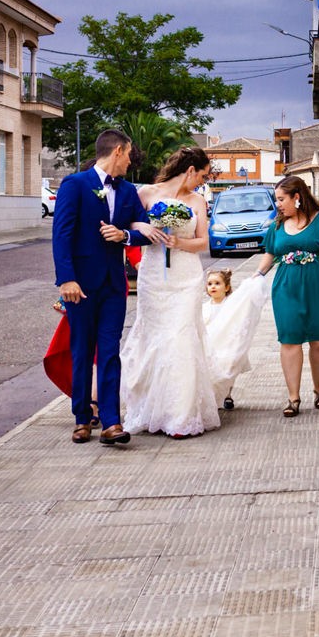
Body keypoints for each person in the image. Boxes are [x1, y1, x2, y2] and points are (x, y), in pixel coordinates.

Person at [51, 129, 167, 446]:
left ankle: (112, 423)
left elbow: (144, 230)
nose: (131, 161)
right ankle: (81, 418)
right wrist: (66, 279)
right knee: (81, 351)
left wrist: (124, 236)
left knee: (110, 352)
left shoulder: (128, 191)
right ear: (117, 151)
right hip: (81, 286)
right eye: (129, 154)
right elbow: (61, 235)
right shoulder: (75, 185)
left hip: (115, 286)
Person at [120, 146, 220, 439]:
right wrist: (149, 229)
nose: (202, 181)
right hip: (154, 275)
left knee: (182, 336)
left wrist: (179, 243)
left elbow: (203, 242)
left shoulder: (198, 201)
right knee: (154, 336)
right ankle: (151, 409)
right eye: (201, 175)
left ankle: (181, 414)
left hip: (185, 276)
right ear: (190, 170)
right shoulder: (147, 194)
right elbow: (130, 223)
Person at [256, 176, 319, 417]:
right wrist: (257, 276)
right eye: (276, 199)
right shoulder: (277, 226)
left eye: (281, 199)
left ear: (296, 197)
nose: (277, 204)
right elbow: (269, 254)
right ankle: (293, 398)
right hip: (286, 288)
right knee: (290, 339)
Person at [203, 269, 236, 410]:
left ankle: (227, 395)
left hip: (227, 344)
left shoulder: (231, 305)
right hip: (211, 345)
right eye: (210, 284)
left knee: (228, 370)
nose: (213, 287)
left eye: (217, 283)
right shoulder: (204, 307)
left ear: (226, 287)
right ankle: (215, 395)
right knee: (213, 371)